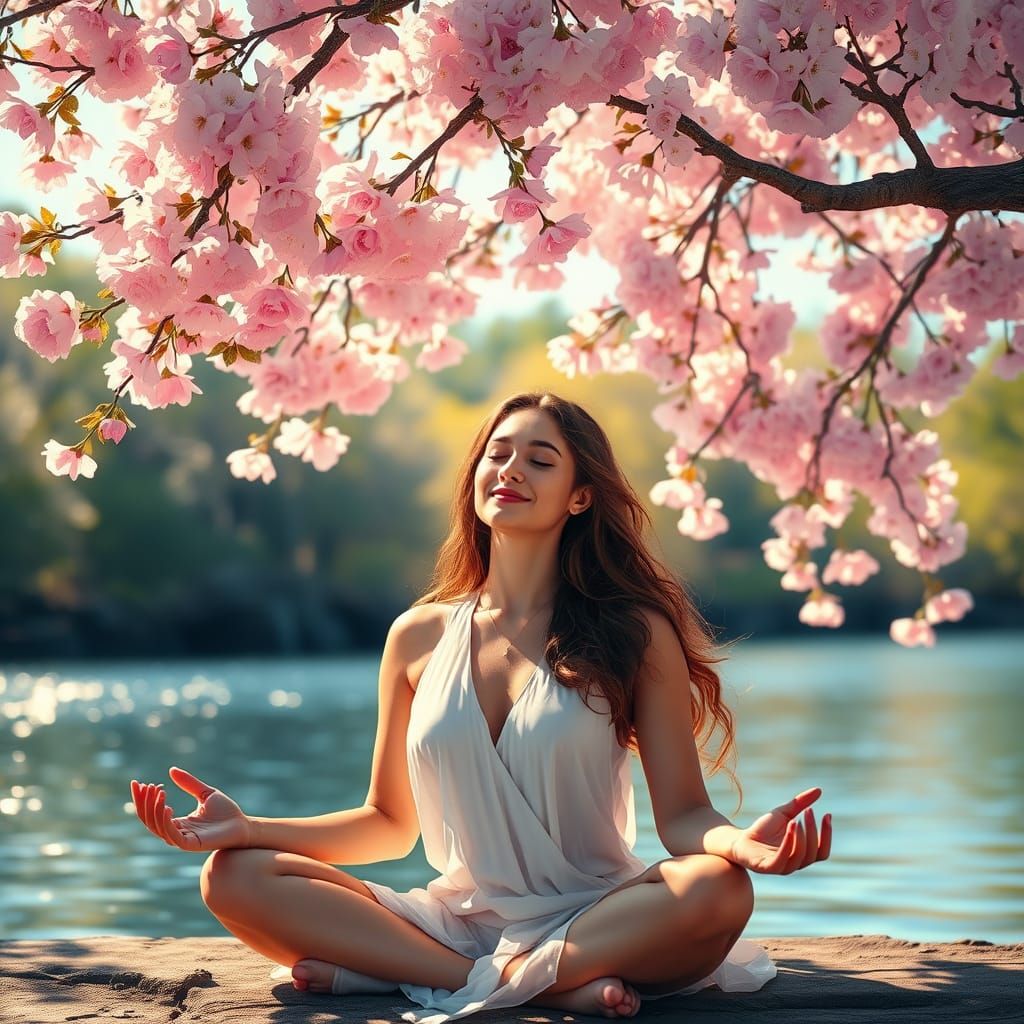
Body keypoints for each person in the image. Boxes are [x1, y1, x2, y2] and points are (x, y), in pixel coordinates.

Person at [130, 391, 831, 1023]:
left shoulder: (634, 632)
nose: (510, 469)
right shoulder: (417, 635)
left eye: (539, 459)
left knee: (719, 891)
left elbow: (682, 818)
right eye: (497, 454)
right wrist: (249, 828)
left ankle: (411, 979)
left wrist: (742, 845)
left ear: (580, 497)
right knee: (232, 875)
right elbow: (386, 824)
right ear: (474, 480)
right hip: (454, 922)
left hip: (600, 919)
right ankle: (519, 985)